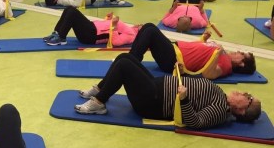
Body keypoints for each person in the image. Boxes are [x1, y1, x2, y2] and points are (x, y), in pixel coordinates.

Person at [75, 53, 261, 129]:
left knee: (124, 65)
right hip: (156, 87)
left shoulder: (221, 110)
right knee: (125, 57)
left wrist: (185, 99)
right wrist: (184, 72)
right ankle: (100, 89)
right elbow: (197, 84)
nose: (244, 93)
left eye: (248, 98)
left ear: (243, 111)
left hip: (154, 102)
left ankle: (99, 103)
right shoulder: (220, 96)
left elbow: (194, 122)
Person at [129, 23, 256, 80]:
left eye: (242, 54)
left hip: (174, 60)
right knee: (149, 27)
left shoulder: (227, 65)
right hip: (174, 50)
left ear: (241, 63)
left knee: (150, 31)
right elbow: (200, 52)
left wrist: (217, 53)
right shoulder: (224, 55)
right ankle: (131, 59)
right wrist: (203, 39)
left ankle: (131, 63)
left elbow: (209, 75)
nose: (239, 51)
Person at [43, 6, 139, 47]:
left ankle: (61, 38)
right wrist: (108, 19)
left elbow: (116, 42)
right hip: (92, 28)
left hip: (91, 35)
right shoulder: (129, 29)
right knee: (69, 9)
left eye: (142, 26)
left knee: (72, 12)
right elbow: (106, 28)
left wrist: (113, 25)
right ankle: (57, 33)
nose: (140, 25)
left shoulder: (132, 35)